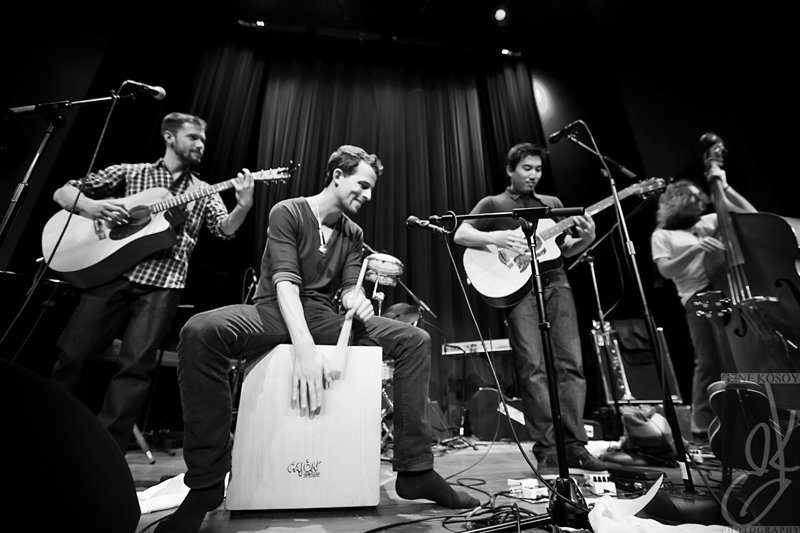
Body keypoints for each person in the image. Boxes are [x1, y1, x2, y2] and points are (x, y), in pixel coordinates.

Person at [156, 145, 479, 533]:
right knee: (199, 331)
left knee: (414, 340)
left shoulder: (353, 233)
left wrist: (356, 300)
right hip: (273, 310)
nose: (369, 195)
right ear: (337, 175)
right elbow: (286, 285)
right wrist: (305, 350)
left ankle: (416, 471)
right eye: (363, 184)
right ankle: (207, 482)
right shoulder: (288, 212)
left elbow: (346, 290)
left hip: (324, 315)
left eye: (373, 188)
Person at [50, 112, 255, 454]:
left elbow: (224, 230)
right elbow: (64, 192)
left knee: (136, 366)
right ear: (170, 137)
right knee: (74, 354)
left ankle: (106, 452)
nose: (201, 145)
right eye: (193, 138)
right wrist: (94, 207)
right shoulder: (132, 172)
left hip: (164, 283)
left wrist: (244, 206)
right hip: (110, 274)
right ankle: (50, 429)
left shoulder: (203, 189)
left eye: (203, 140)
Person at [453, 142, 615, 474]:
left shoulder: (552, 204)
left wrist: (586, 237)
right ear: (511, 170)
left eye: (538, 169)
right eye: (527, 168)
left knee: (571, 362)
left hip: (555, 282)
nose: (533, 175)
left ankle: (575, 446)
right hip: (518, 290)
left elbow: (565, 250)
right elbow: (461, 233)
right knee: (532, 366)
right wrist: (498, 239)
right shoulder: (494, 204)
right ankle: (547, 448)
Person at [650, 167, 756, 442]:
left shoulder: (708, 221)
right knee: (709, 360)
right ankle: (702, 425)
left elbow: (750, 214)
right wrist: (695, 248)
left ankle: (745, 418)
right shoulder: (662, 235)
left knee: (738, 359)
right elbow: (666, 271)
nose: (703, 203)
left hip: (729, 291)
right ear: (679, 201)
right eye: (695, 199)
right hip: (700, 297)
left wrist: (725, 187)